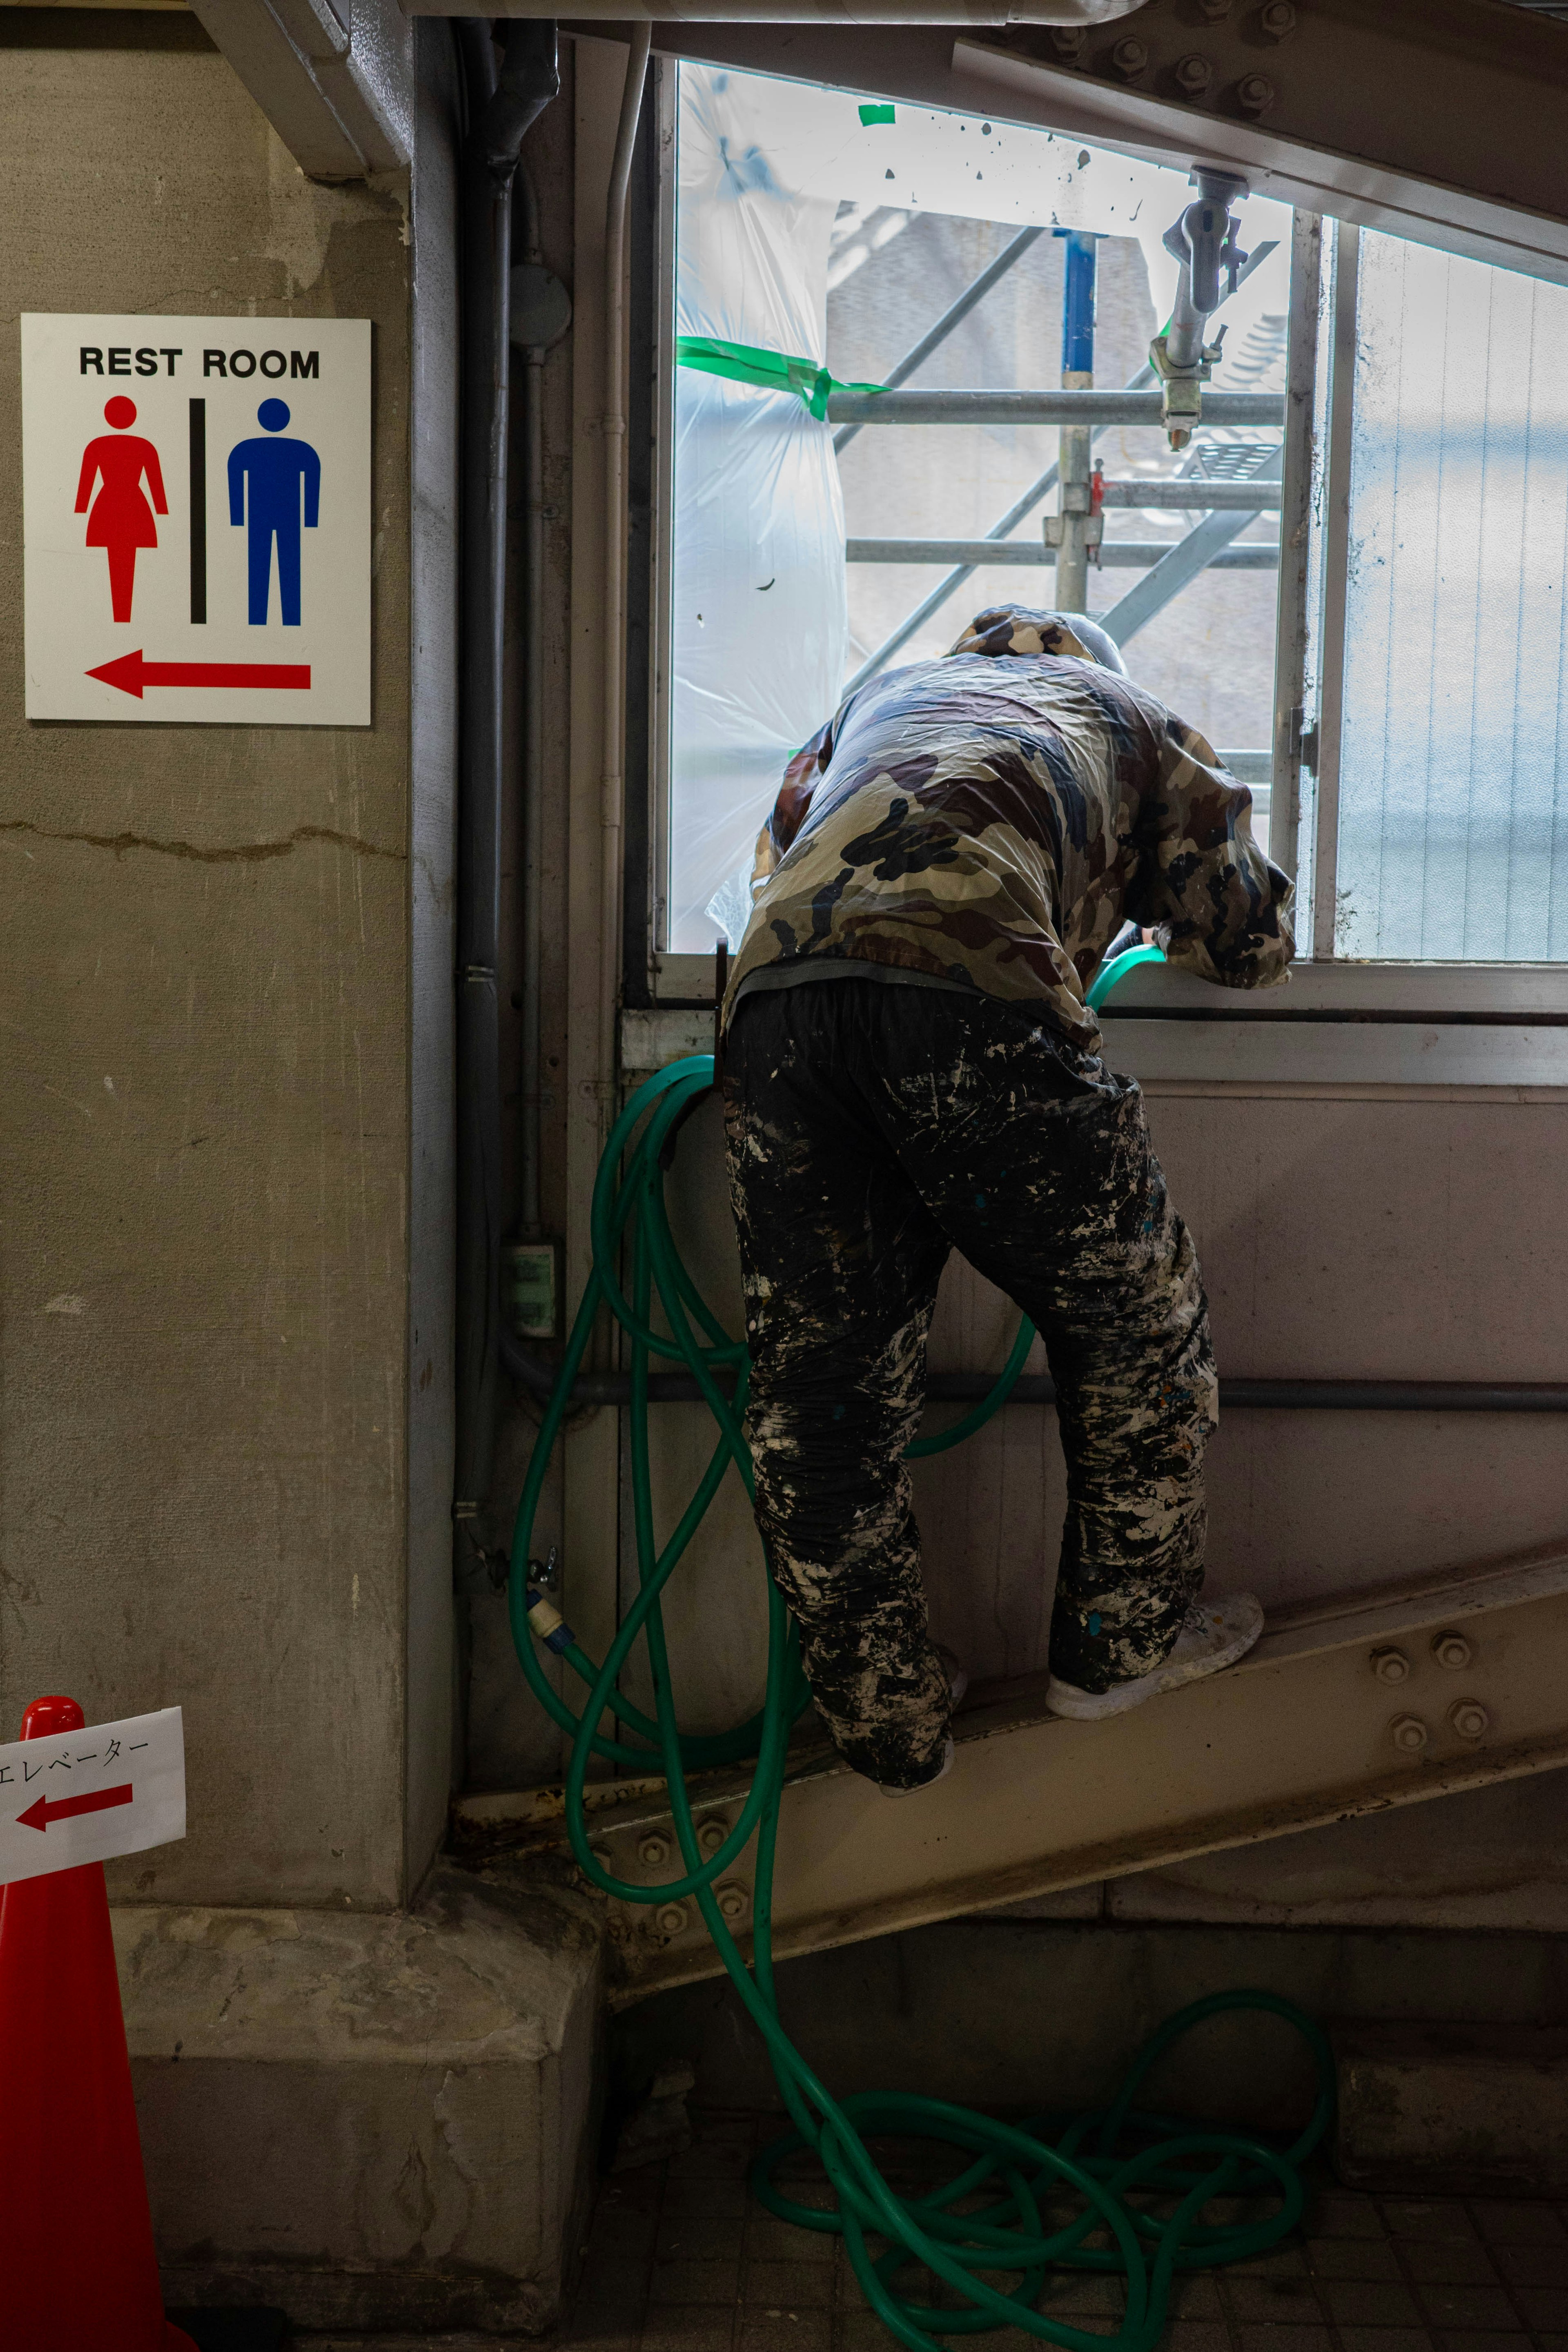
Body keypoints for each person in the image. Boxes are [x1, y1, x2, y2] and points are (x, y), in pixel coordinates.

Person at [720, 604, 1294, 1795]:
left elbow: (780, 860)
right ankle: (1117, 1652)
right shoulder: (1125, 713)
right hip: (973, 988)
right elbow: (1245, 937)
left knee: (819, 1385)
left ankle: (884, 1722)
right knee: (1133, 1326)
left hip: (776, 1003)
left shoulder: (871, 701)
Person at [227, 399, 321, 626]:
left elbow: (235, 475)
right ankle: (288, 619)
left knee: (263, 566)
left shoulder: (247, 448)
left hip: (262, 516)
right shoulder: (301, 449)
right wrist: (310, 518)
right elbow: (313, 478)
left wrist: (238, 516)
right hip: (285, 516)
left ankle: (260, 620)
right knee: (287, 566)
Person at [75, 397, 167, 624]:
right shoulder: (144, 446)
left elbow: (87, 484)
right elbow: (155, 484)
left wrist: (82, 508)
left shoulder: (97, 445)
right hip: (132, 503)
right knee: (124, 558)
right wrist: (161, 509)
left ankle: (122, 617)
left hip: (110, 503)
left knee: (121, 559)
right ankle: (122, 617)